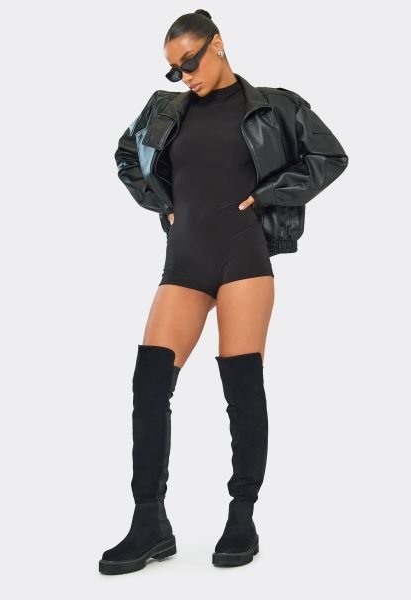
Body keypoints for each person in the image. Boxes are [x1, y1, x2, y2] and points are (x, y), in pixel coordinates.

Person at [99, 9, 348, 575]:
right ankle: (149, 522)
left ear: (217, 44)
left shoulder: (275, 105)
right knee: (149, 382)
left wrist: (269, 194)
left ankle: (241, 515)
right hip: (184, 258)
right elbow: (125, 156)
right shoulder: (165, 110)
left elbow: (330, 156)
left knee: (241, 386)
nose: (183, 75)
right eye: (173, 69)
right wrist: (161, 203)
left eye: (189, 61)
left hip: (243, 256)